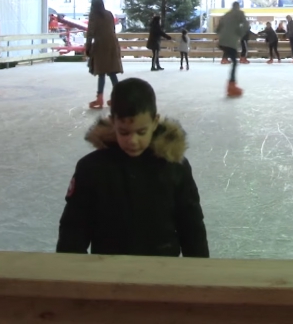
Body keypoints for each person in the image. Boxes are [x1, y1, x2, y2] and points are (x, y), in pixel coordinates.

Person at [56, 78, 208, 257]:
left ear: (155, 121)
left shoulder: (174, 167)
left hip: (162, 272)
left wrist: (198, 273)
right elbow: (73, 231)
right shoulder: (91, 168)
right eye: (124, 132)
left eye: (141, 132)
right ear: (113, 122)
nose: (133, 141)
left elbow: (192, 228)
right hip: (108, 272)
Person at [84, 0, 123, 110]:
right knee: (111, 72)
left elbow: (90, 32)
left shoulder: (93, 16)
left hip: (101, 45)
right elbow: (112, 29)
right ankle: (119, 98)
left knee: (101, 72)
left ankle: (99, 98)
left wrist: (88, 47)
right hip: (112, 44)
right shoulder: (109, 14)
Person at [217, 2, 249, 97]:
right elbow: (246, 25)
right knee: (235, 62)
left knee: (234, 59)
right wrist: (240, 33)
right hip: (231, 42)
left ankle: (231, 85)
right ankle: (231, 86)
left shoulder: (226, 14)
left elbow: (217, 29)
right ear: (238, 7)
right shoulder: (240, 13)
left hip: (222, 41)